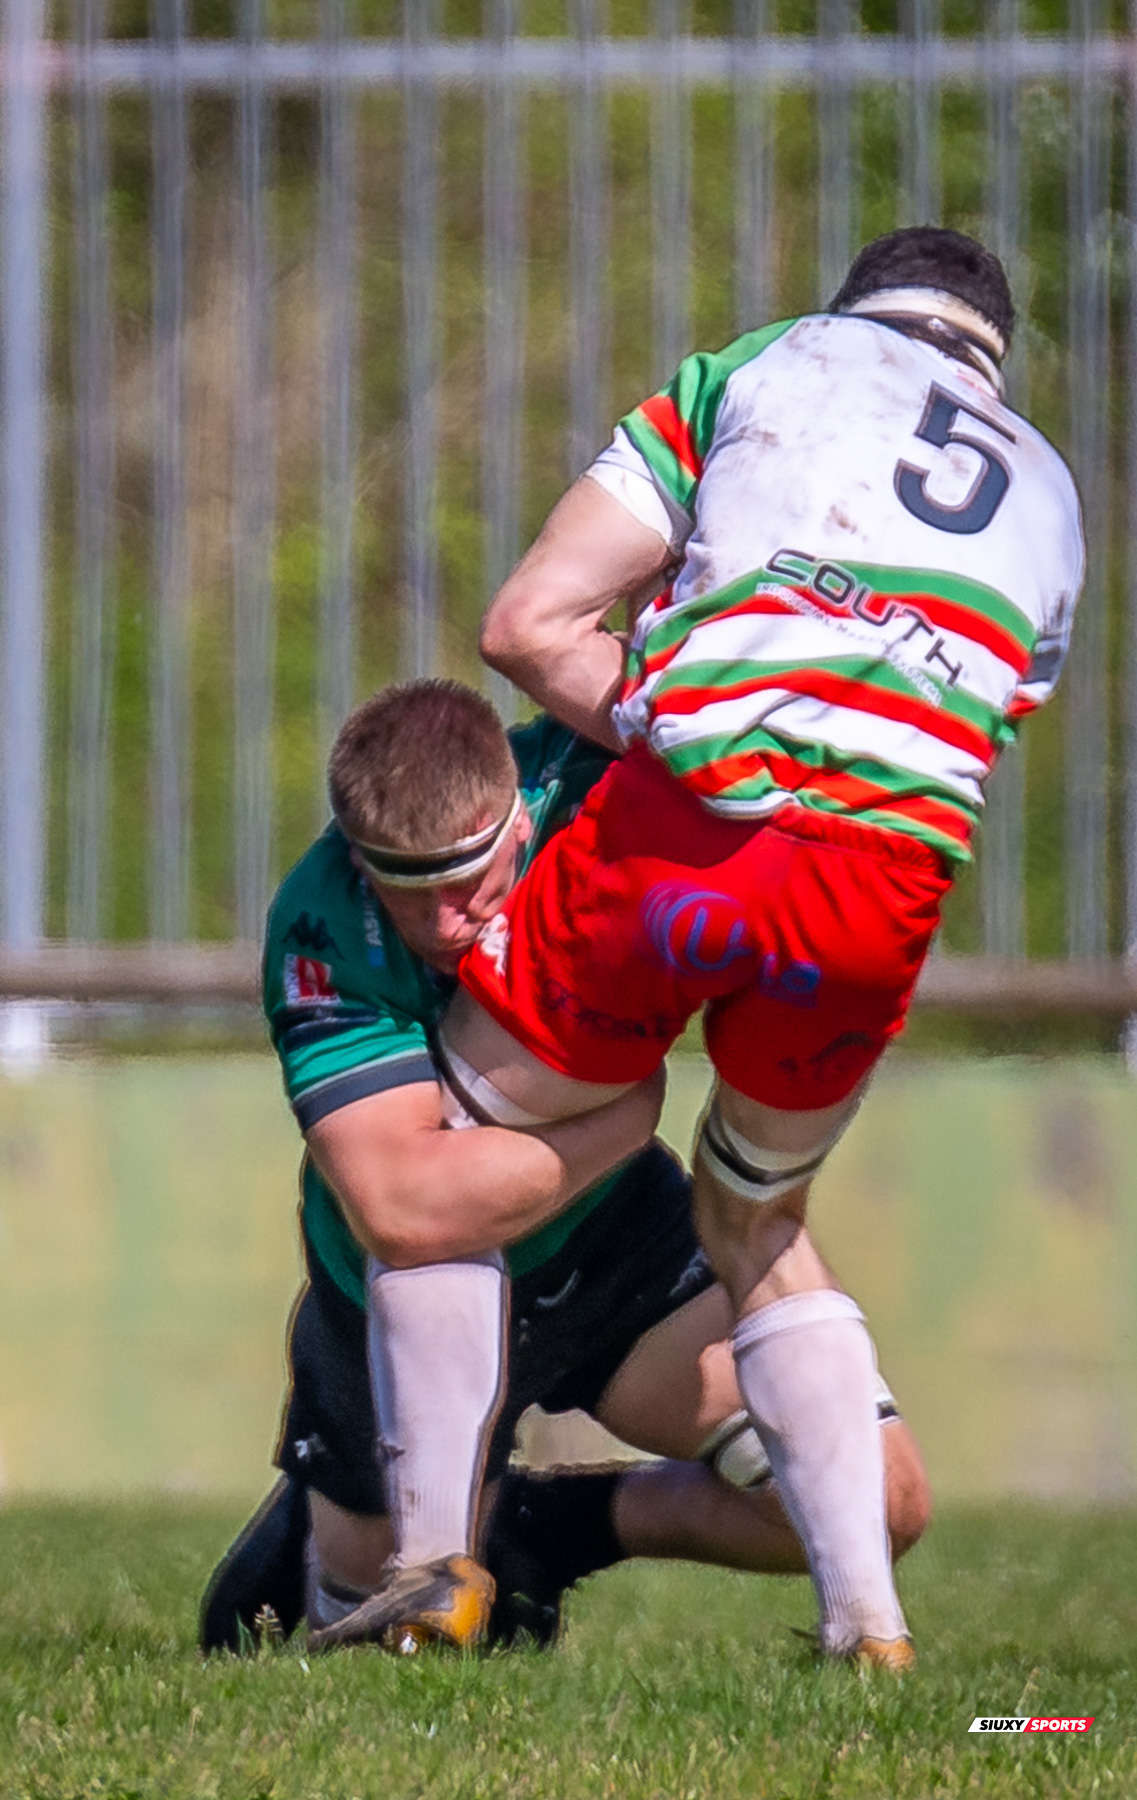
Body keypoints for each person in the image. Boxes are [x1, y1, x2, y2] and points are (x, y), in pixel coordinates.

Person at [363, 228, 1085, 1671]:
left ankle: (435, 1573)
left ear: (857, 310)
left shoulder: (772, 365)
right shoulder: (1055, 494)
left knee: (448, 1156)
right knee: (753, 1226)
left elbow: (529, 624)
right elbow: (977, 722)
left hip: (688, 828)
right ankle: (865, 1627)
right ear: (990, 354)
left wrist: (688, 720)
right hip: (879, 891)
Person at [199, 678, 929, 1655]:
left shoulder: (600, 779)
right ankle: (337, 1519)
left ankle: (542, 1532)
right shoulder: (321, 921)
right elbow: (403, 1212)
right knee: (361, 1635)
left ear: (517, 813)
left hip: (601, 1239)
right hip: (396, 1288)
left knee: (876, 1507)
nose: (449, 922)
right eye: (408, 892)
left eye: (469, 879)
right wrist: (620, 1122)